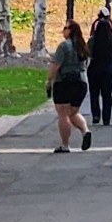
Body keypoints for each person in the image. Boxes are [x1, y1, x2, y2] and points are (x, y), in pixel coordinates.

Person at [46, 19, 93, 153]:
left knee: (63, 114)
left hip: (64, 82)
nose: (63, 30)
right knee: (73, 112)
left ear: (71, 31)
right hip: (81, 83)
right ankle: (85, 131)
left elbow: (56, 65)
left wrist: (49, 80)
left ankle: (65, 145)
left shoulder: (64, 46)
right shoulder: (83, 46)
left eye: (66, 28)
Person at [86, 8, 112, 126]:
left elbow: (87, 53)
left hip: (94, 66)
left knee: (94, 93)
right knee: (107, 94)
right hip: (108, 67)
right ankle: (107, 117)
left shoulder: (92, 41)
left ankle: (96, 115)